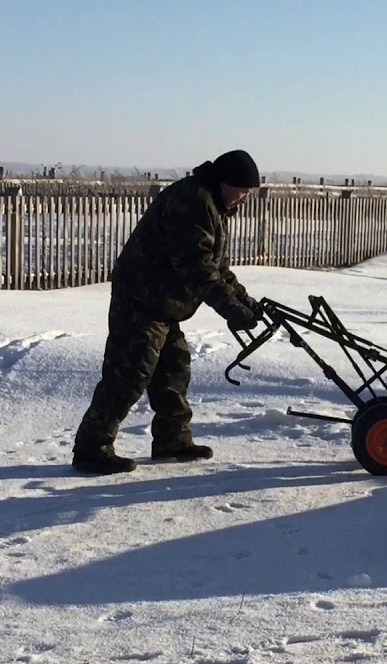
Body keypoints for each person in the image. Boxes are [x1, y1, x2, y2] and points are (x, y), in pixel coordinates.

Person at [71, 149, 263, 475]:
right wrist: (231, 309)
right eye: (242, 190)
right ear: (224, 182)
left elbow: (218, 268)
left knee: (173, 369)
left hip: (164, 304)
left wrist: (246, 302)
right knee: (128, 374)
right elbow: (197, 269)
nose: (244, 197)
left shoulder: (213, 206)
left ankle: (172, 441)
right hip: (141, 302)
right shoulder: (192, 202)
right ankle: (92, 447)